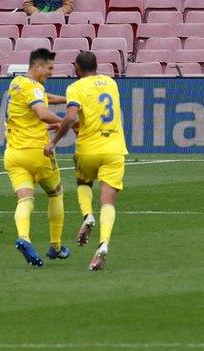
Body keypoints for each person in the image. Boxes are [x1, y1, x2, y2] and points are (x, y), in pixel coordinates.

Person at [44, 51, 128, 271]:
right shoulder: (111, 83)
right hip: (114, 149)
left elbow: (73, 117)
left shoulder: (76, 87)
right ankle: (103, 244)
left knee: (84, 183)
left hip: (89, 148)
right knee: (108, 203)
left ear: (77, 68)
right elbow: (94, 116)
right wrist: (66, 124)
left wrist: (54, 141)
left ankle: (87, 215)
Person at [4, 48, 69, 267]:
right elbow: (42, 112)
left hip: (14, 154)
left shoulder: (17, 83)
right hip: (38, 153)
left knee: (25, 199)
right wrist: (64, 122)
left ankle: (24, 238)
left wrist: (68, 99)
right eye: (49, 68)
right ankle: (56, 246)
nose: (51, 72)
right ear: (38, 66)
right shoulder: (34, 88)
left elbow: (43, 96)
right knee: (56, 193)